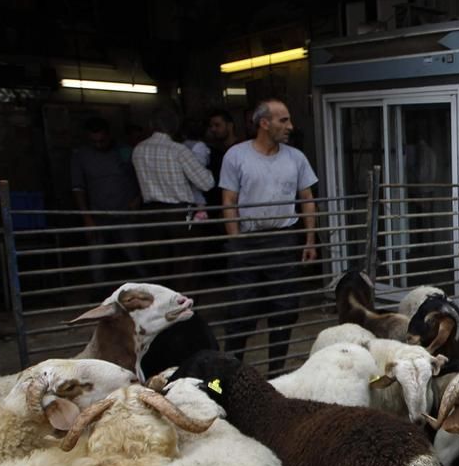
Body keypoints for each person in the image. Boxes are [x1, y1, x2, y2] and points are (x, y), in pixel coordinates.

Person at [220, 98, 318, 376]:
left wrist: (310, 240)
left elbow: (307, 199)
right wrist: (236, 240)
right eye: (283, 120)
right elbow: (228, 199)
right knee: (241, 312)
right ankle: (229, 375)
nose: (290, 126)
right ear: (264, 123)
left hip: (283, 240)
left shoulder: (295, 157)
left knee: (285, 310)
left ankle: (277, 374)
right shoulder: (236, 156)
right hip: (248, 241)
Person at [132, 106, 215, 287]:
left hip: (149, 214)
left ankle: (160, 309)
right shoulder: (178, 150)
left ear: (151, 125)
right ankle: (183, 310)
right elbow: (206, 183)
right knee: (186, 264)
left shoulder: (138, 149)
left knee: (158, 265)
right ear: (175, 127)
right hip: (179, 214)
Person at [70, 117, 142, 287]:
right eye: (94, 141)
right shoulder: (81, 156)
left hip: (125, 213)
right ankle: (99, 291)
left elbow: (142, 177)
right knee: (97, 257)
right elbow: (78, 188)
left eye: (102, 140)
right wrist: (87, 218)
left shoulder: (125, 151)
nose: (99, 145)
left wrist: (138, 199)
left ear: (109, 135)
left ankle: (146, 288)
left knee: (135, 254)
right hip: (97, 215)